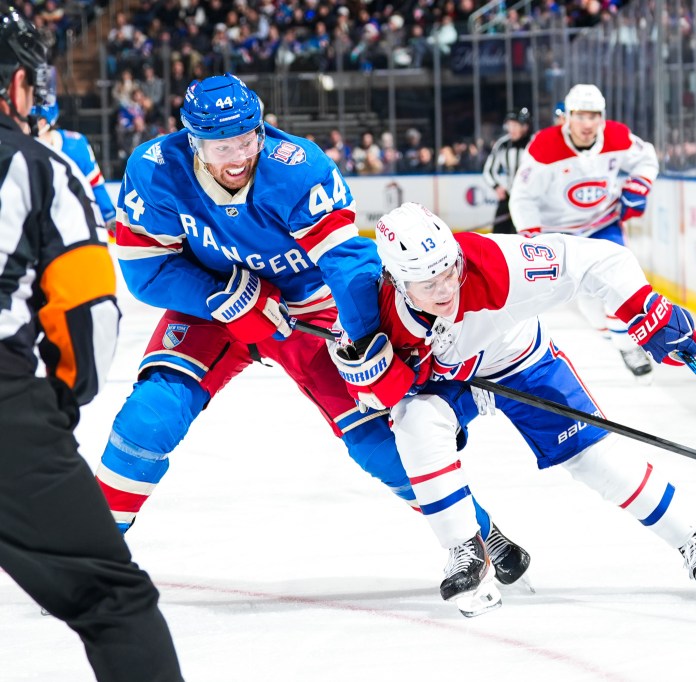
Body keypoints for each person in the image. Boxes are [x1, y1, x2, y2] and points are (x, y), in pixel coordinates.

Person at [97, 74, 530, 588]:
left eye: (246, 139)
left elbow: (349, 265)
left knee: (374, 438)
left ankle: (478, 533)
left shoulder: (298, 169)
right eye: (221, 146)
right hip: (209, 306)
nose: (237, 157)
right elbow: (145, 271)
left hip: (308, 307)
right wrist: (219, 297)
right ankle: (93, 556)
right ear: (193, 141)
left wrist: (371, 344)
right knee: (148, 419)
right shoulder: (156, 170)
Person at [332, 203, 696, 617]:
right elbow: (375, 387)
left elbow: (599, 258)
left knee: (596, 460)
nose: (445, 289)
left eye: (448, 271)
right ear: (397, 281)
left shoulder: (499, 265)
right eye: (427, 283)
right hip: (455, 381)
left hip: (520, 362)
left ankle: (691, 537)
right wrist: (371, 383)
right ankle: (465, 550)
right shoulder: (373, 308)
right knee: (416, 422)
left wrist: (645, 309)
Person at [0, 8, 183, 681]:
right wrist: (49, 410)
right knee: (114, 601)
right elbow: (89, 318)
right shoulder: (40, 166)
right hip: (5, 411)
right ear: (17, 85)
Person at [509, 84, 659, 379]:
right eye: (580, 116)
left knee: (621, 281)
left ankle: (626, 342)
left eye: (594, 116)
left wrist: (638, 186)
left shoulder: (616, 135)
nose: (587, 124)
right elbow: (523, 197)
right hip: (560, 236)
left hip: (603, 224)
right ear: (567, 117)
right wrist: (532, 239)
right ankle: (614, 335)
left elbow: (647, 157)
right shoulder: (544, 146)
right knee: (589, 299)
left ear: (602, 117)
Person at [32, 100, 117, 235]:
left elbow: (95, 185)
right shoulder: (15, 146)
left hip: (71, 229)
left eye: (29, 119)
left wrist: (110, 218)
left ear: (43, 122)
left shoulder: (73, 145)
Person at [481, 107, 531, 234]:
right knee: (498, 236)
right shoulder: (502, 145)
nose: (511, 129)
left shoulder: (535, 143)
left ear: (525, 126)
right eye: (509, 125)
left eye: (515, 125)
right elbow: (489, 170)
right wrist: (497, 186)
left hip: (530, 198)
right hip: (508, 197)